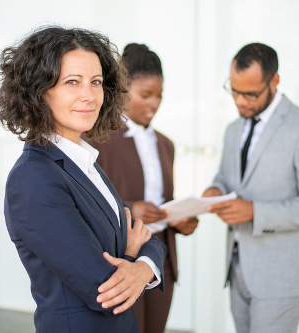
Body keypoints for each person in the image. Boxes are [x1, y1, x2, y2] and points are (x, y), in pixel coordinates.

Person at [0, 26, 166, 333]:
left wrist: (141, 267)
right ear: (38, 90)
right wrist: (132, 258)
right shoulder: (33, 178)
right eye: (72, 82)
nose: (89, 95)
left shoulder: (84, 163)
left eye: (96, 82)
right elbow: (103, 289)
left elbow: (147, 238)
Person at [203, 43, 299, 333]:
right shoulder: (233, 128)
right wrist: (214, 190)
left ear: (274, 81)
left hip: (281, 275)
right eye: (234, 91)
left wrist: (254, 212)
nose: (240, 101)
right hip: (237, 270)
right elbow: (226, 178)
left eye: (250, 94)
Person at [85, 43, 198, 333]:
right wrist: (132, 209)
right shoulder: (97, 139)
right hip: (121, 261)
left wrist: (180, 219)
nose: (154, 103)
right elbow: (85, 202)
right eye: (145, 95)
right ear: (122, 89)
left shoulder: (166, 144)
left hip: (162, 261)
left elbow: (164, 203)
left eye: (159, 95)